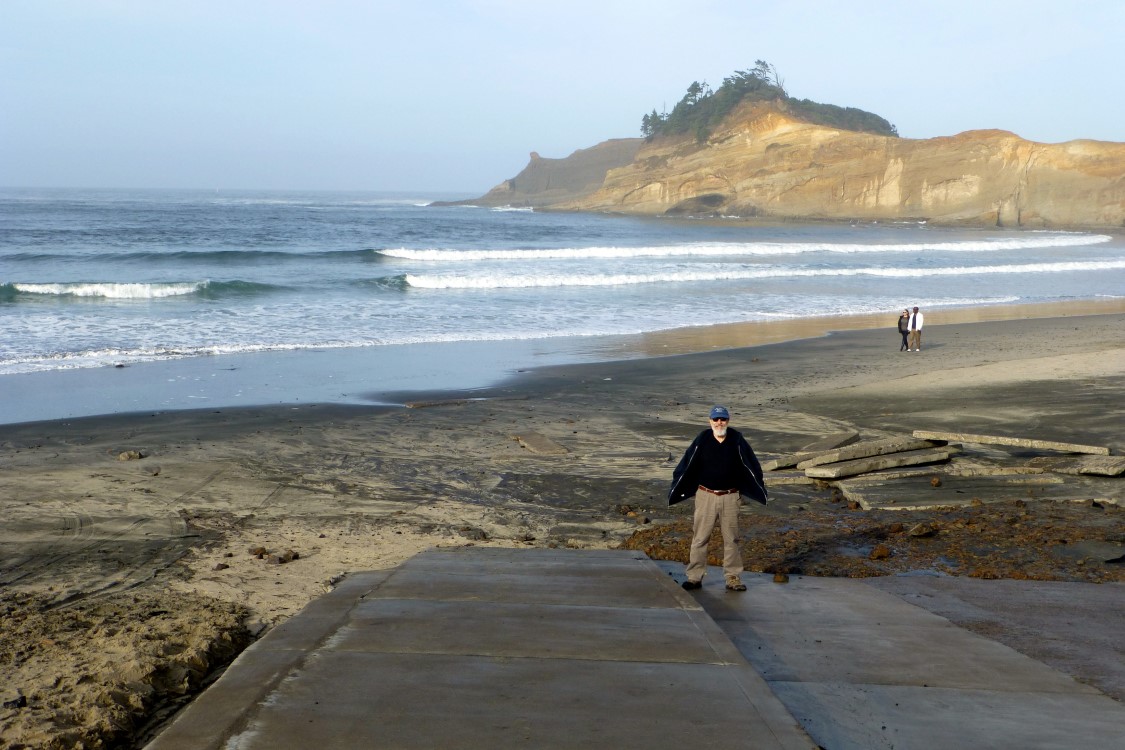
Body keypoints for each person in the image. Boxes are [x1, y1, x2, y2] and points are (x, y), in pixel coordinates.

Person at [668, 406, 768, 592]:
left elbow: (752, 464)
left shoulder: (737, 439)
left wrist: (755, 488)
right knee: (700, 538)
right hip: (706, 496)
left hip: (730, 497)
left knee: (732, 539)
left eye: (723, 419)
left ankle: (733, 578)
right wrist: (678, 487)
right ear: (710, 421)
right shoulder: (702, 439)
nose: (719, 423)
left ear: (728, 421)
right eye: (716, 420)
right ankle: (694, 577)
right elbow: (687, 463)